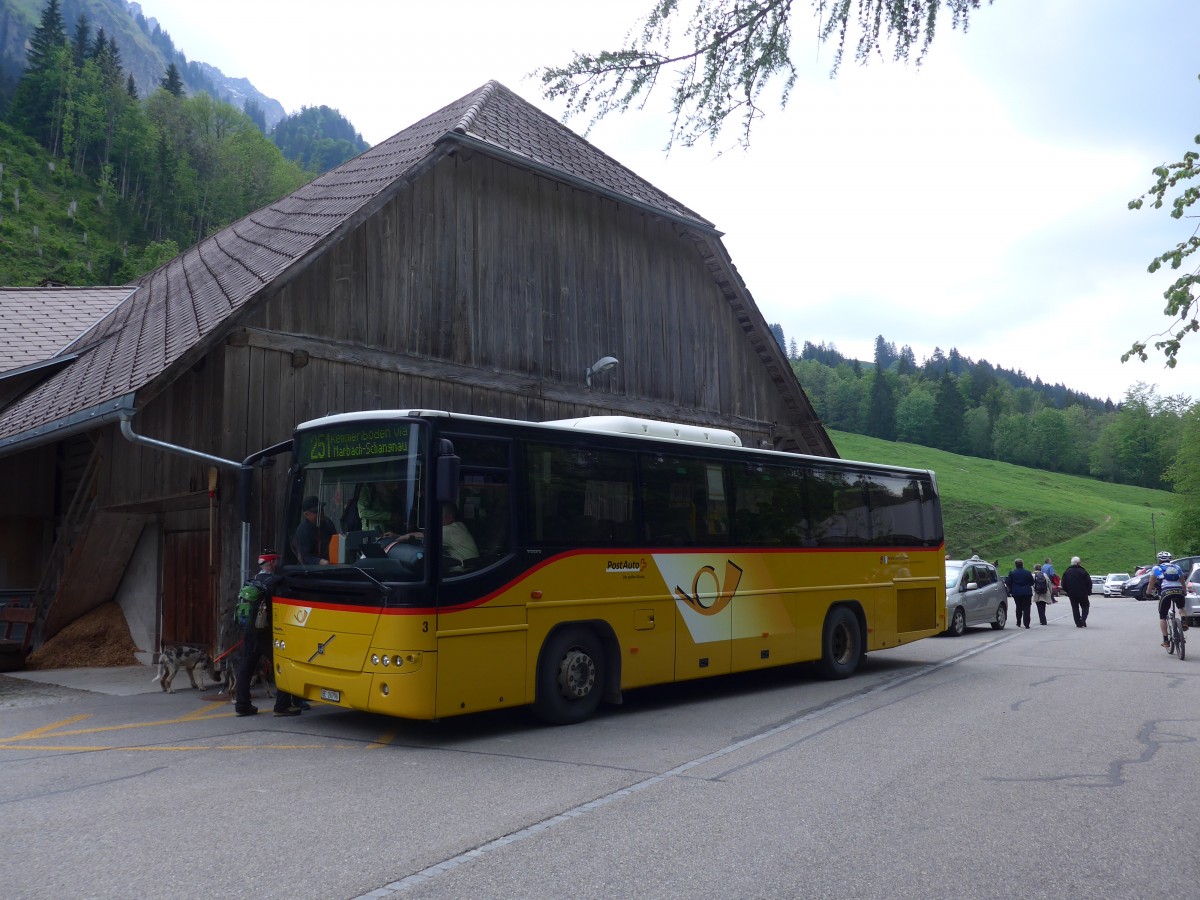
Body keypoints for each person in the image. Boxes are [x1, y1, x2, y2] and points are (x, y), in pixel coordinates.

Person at [234, 550, 304, 717]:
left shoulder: (252, 581)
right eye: (275, 561)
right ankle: (282, 706)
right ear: (272, 563)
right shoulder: (275, 581)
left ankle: (242, 706)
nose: (277, 564)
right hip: (266, 631)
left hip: (250, 631)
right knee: (282, 665)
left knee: (246, 667)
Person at [393, 503, 479, 569]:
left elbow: (423, 535)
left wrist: (400, 537)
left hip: (462, 571)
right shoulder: (459, 525)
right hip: (470, 568)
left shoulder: (449, 530)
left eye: (439, 518)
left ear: (449, 518)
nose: (435, 521)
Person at [1149, 550, 1186, 649]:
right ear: (1170, 559)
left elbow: (1151, 583)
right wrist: (1184, 591)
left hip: (1166, 592)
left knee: (1162, 616)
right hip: (1179, 591)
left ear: (1159, 559)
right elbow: (1182, 581)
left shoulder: (1156, 568)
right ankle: (1183, 621)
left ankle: (1166, 640)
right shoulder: (1177, 567)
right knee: (1181, 607)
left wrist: (1148, 593)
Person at [295, 495, 335, 565]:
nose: (321, 512)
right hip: (312, 570)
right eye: (316, 511)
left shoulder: (328, 523)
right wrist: (320, 561)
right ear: (307, 514)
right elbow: (306, 557)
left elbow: (335, 543)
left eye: (321, 509)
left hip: (332, 564)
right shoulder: (303, 530)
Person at [1060, 556, 1092, 627]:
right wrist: (1088, 591)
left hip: (1072, 593)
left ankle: (1078, 623)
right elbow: (1089, 582)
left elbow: (1063, 584)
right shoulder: (1083, 571)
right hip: (1083, 593)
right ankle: (1083, 619)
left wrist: (1067, 591)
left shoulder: (1067, 572)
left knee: (1075, 608)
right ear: (1078, 563)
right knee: (1085, 606)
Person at [1005, 558, 1035, 629]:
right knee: (1027, 607)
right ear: (1022, 564)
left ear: (1015, 565)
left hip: (1016, 592)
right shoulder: (1028, 572)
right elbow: (1032, 582)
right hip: (1027, 592)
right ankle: (1027, 623)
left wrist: (1012, 588)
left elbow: (1008, 582)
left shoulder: (1012, 573)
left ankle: (1018, 622)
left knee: (1018, 607)